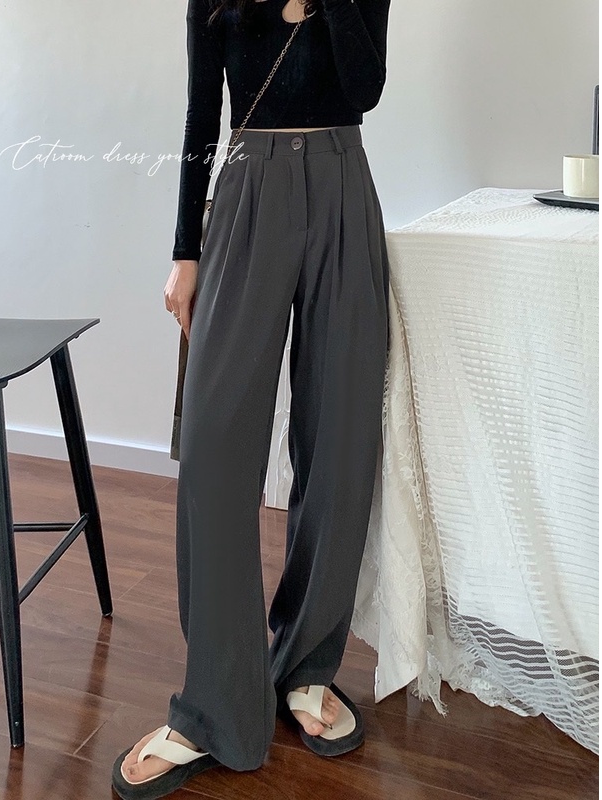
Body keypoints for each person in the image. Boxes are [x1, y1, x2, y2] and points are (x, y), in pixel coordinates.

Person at [112, 1, 392, 797]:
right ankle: (215, 702)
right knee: (214, 448)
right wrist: (185, 250)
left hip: (343, 183)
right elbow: (202, 112)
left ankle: (305, 665)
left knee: (340, 442)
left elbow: (366, 89)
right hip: (249, 186)